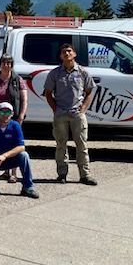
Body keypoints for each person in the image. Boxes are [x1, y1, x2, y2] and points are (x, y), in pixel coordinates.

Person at [44, 43, 98, 186]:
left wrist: (84, 109)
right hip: (61, 114)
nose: (67, 54)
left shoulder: (82, 72)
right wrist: (55, 109)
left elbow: (89, 92)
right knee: (61, 144)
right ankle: (62, 174)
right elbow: (48, 94)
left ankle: (85, 175)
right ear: (61, 56)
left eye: (69, 51)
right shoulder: (54, 73)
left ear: (74, 54)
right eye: (64, 52)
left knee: (81, 144)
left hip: (77, 114)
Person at [0, 102, 39, 199]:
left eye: (8, 112)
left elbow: (21, 147)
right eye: (2, 112)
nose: (5, 115)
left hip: (9, 159)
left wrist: (5, 156)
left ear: (12, 114)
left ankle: (28, 187)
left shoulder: (15, 125)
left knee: (24, 155)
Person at [0, 53, 27, 183]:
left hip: (13, 117)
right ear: (0, 64)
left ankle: (13, 173)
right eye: (4, 62)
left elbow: (24, 99)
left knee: (14, 143)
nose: (6, 65)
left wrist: (21, 115)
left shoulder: (18, 80)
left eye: (9, 63)